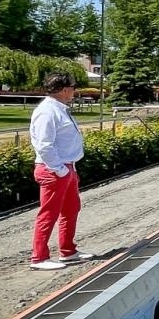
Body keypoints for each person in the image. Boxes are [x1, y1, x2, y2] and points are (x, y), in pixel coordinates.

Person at [29, 73, 96, 270]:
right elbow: (44, 145)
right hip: (54, 169)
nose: (75, 91)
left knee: (71, 209)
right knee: (49, 213)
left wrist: (68, 170)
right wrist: (59, 170)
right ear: (65, 89)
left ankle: (68, 251)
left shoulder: (59, 109)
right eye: (73, 88)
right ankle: (39, 258)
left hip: (67, 167)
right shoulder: (47, 112)